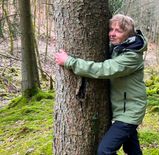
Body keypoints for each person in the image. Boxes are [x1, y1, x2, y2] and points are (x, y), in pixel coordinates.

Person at [55, 14, 147, 155]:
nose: (112, 34)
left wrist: (70, 62)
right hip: (124, 109)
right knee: (132, 149)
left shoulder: (131, 56)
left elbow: (104, 69)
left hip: (129, 112)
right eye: (111, 29)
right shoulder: (120, 48)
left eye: (118, 31)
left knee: (105, 151)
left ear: (128, 34)